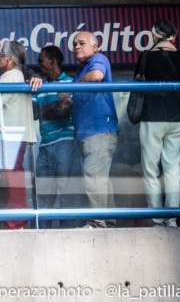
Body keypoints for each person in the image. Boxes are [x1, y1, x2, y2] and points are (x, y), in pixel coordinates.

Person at [135, 19, 180, 227]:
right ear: (174, 37)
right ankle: (172, 218)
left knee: (150, 169)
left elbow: (138, 84)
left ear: (154, 35)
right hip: (176, 118)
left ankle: (157, 218)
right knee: (172, 169)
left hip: (152, 117)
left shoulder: (146, 56)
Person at [0, 40, 37, 229]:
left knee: (11, 180)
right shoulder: (18, 75)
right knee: (14, 178)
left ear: (9, 59)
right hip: (16, 135)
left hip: (10, 135)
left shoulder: (8, 77)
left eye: (0, 55)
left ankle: (15, 223)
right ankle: (17, 221)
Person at [71, 31, 119, 228]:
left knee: (94, 176)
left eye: (81, 43)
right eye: (74, 44)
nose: (77, 47)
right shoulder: (80, 71)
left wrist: (73, 87)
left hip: (99, 130)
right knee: (101, 180)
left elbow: (97, 75)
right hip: (88, 133)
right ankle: (110, 223)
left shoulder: (98, 59)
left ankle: (98, 223)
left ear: (95, 46)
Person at [32, 45, 83, 228]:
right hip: (45, 146)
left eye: (41, 61)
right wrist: (54, 107)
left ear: (53, 62)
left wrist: (48, 109)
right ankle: (42, 234)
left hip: (65, 143)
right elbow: (33, 113)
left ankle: (69, 234)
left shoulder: (70, 83)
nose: (38, 65)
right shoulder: (39, 85)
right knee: (43, 194)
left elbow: (64, 112)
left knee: (69, 192)